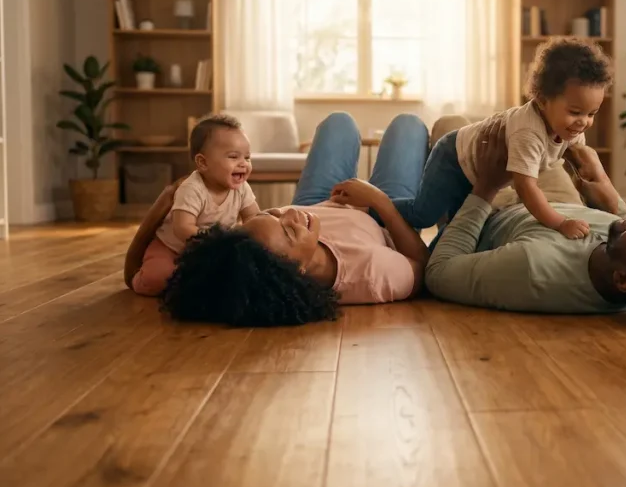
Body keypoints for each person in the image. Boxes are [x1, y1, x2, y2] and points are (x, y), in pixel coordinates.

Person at [124, 112, 433, 327]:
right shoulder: (373, 274)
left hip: (321, 201)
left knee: (338, 122)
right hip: (383, 218)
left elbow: (134, 276)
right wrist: (380, 202)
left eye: (274, 213)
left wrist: (160, 207)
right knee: (408, 125)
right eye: (287, 230)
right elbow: (420, 262)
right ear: (295, 269)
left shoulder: (289, 225)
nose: (291, 214)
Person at [424, 118, 626, 327]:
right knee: (534, 126)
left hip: (495, 206)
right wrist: (601, 180)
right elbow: (624, 217)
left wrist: (487, 185)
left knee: (450, 127)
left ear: (622, 279)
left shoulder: (533, 269)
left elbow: (438, 273)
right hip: (559, 204)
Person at [383, 37, 616, 241]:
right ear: (543, 100)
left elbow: (582, 166)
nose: (584, 122)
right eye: (575, 112)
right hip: (454, 159)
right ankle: (373, 206)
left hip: (475, 171)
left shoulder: (571, 129)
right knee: (423, 214)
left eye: (591, 114)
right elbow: (526, 187)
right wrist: (560, 223)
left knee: (459, 227)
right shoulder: (529, 131)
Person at [128, 114, 262, 296]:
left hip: (210, 251)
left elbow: (254, 218)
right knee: (158, 278)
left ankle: (189, 283)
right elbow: (182, 228)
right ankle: (140, 279)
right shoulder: (192, 188)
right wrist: (215, 239)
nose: (243, 164)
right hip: (172, 248)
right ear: (203, 163)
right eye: (233, 157)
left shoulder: (242, 188)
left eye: (247, 158)